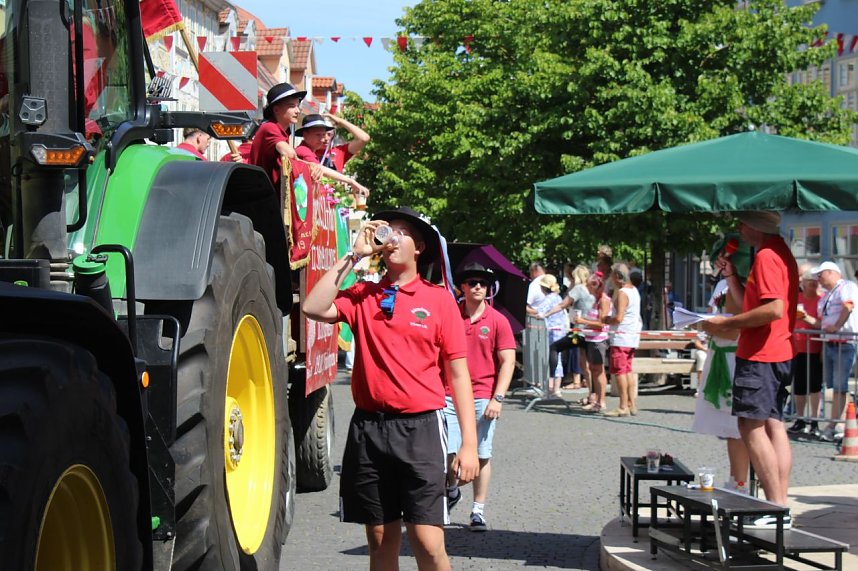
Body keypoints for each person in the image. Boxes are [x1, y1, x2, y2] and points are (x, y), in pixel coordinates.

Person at [302, 206, 479, 570]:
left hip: (422, 430)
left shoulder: (440, 300)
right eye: (387, 231)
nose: (392, 237)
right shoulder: (364, 294)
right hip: (369, 430)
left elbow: (459, 375)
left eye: (402, 231)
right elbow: (313, 306)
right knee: (381, 540)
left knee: (428, 542)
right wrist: (353, 255)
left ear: (420, 248)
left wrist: (470, 445)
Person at [703, 211, 798, 528]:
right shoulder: (776, 252)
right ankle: (778, 503)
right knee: (773, 424)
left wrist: (726, 324)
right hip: (776, 351)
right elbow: (755, 307)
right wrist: (731, 277)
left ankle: (776, 506)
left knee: (750, 427)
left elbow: (773, 309)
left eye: (743, 224)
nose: (739, 230)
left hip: (762, 353)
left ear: (757, 226)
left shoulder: (768, 256)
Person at [444, 263, 516, 532]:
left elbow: (507, 361)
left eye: (483, 284)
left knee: (482, 455)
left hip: (483, 395)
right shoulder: (450, 315)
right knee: (447, 453)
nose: (478, 287)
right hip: (448, 395)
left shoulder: (498, 321)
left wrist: (498, 398)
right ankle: (451, 490)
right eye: (472, 282)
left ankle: (478, 510)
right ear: (462, 287)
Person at [692, 234, 752, 490]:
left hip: (734, 359)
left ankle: (740, 483)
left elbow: (737, 327)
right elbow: (719, 320)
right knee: (730, 428)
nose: (720, 262)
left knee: (737, 426)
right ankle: (737, 479)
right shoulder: (724, 285)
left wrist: (705, 326)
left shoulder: (741, 286)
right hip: (721, 355)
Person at [811, 260, 858, 443]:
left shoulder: (846, 287)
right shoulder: (827, 295)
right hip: (831, 343)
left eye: (820, 275)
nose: (818, 279)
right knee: (835, 386)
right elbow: (823, 323)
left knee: (840, 385)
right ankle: (835, 422)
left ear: (831, 272)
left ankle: (838, 423)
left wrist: (837, 326)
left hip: (845, 342)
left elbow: (848, 306)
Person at [293, 113, 371, 200]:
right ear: (305, 135)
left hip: (330, 205)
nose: (324, 139)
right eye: (319, 135)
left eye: (327, 134)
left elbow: (364, 138)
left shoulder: (338, 152)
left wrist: (339, 121)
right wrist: (351, 181)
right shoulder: (303, 150)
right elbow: (319, 168)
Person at [540, 264, 594, 390]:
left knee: (555, 347)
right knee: (590, 365)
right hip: (590, 329)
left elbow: (562, 304)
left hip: (579, 330)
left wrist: (546, 314)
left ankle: (553, 380)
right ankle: (593, 394)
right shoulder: (590, 289)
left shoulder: (578, 289)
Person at [249, 82, 307, 191]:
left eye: (297, 106)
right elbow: (288, 153)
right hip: (262, 197)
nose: (298, 111)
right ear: (276, 110)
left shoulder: (283, 131)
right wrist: (308, 165)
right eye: (292, 106)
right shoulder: (270, 127)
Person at [603, 263, 642, 417]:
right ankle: (631, 404)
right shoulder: (634, 291)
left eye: (612, 276)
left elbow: (618, 317)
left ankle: (623, 406)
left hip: (621, 336)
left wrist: (606, 320)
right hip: (631, 335)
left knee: (620, 371)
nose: (611, 279)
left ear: (618, 277)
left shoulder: (623, 293)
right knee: (628, 370)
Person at [789, 267, 823, 438]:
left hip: (815, 347)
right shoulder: (796, 298)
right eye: (810, 284)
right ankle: (800, 419)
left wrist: (806, 318)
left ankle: (815, 420)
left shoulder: (821, 299)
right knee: (800, 385)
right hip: (797, 347)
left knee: (815, 386)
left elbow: (822, 324)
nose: (813, 287)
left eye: (815, 284)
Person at [575, 272, 612, 412]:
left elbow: (602, 323)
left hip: (599, 340)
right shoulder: (594, 300)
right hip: (590, 338)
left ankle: (601, 401)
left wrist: (582, 321)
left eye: (589, 286)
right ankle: (596, 400)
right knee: (594, 370)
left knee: (599, 370)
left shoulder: (604, 300)